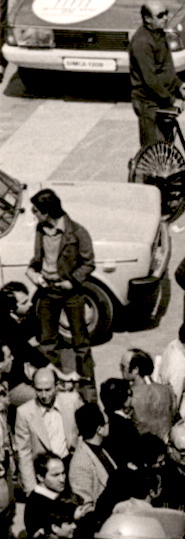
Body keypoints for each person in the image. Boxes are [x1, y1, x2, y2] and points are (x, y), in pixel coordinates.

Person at [28, 192, 95, 385]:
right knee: (47, 341)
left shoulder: (77, 232)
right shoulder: (40, 230)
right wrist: (33, 272)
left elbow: (88, 263)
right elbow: (38, 258)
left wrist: (72, 282)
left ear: (47, 212)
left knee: (80, 341)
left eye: (36, 211)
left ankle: (86, 381)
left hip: (71, 292)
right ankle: (53, 381)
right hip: (47, 290)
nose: (33, 214)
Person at [14, 365, 81, 493]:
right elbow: (24, 453)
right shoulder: (24, 412)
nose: (44, 395)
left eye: (48, 390)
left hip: (71, 466)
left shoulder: (72, 401)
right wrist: (31, 489)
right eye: (39, 390)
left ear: (57, 386)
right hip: (45, 474)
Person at [128, 0, 181, 150]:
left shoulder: (159, 34)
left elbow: (166, 67)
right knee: (153, 151)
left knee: (166, 148)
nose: (165, 18)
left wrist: (179, 84)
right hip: (149, 103)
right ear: (147, 19)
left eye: (166, 13)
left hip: (161, 99)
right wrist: (172, 100)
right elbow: (150, 79)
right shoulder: (142, 42)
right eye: (160, 15)